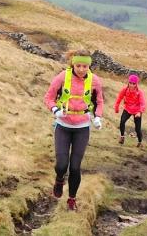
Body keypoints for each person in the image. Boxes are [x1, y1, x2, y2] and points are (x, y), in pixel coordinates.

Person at [44, 50, 104, 211]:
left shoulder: (95, 81)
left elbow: (99, 101)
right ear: (73, 64)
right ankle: (59, 179)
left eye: (85, 66)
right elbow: (48, 97)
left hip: (82, 128)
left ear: (89, 65)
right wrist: (55, 110)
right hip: (63, 126)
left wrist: (97, 117)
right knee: (62, 164)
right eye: (78, 65)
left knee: (75, 167)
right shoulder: (62, 77)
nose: (81, 69)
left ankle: (71, 198)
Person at [114, 74, 147, 147]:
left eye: (134, 84)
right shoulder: (125, 90)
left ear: (136, 84)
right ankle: (122, 137)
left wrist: (140, 112)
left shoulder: (139, 92)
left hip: (137, 111)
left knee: (137, 129)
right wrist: (116, 107)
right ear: (128, 82)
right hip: (127, 109)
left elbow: (143, 103)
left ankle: (140, 141)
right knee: (122, 122)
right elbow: (119, 98)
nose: (132, 85)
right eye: (130, 83)